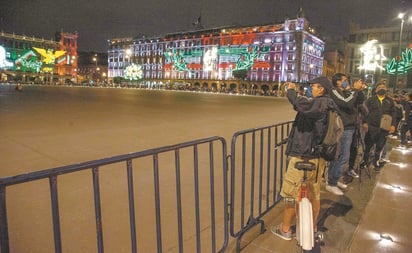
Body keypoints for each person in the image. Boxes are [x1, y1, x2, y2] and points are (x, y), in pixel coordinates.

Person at [272, 77, 338, 240]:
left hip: (305, 156)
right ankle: (312, 226)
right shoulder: (329, 104)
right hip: (318, 157)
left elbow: (301, 105)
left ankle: (285, 229)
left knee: (291, 194)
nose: (311, 89)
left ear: (321, 89)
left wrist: (291, 91)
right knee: (314, 194)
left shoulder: (320, 103)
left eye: (313, 87)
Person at [326, 74, 365, 195]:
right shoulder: (334, 92)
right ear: (337, 82)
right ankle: (331, 182)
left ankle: (334, 179)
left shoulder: (347, 92)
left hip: (350, 127)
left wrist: (358, 90)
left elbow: (359, 101)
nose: (346, 82)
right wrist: (355, 90)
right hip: (342, 127)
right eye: (344, 80)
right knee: (341, 156)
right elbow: (347, 103)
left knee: (341, 156)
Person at [360, 82, 396, 171]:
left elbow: (393, 114)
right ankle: (365, 161)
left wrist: (393, 125)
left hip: (384, 128)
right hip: (372, 127)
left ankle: (376, 162)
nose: (382, 88)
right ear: (376, 90)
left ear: (386, 89)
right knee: (368, 146)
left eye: (383, 87)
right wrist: (364, 122)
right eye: (380, 87)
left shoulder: (390, 101)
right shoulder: (370, 100)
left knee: (380, 146)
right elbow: (365, 112)